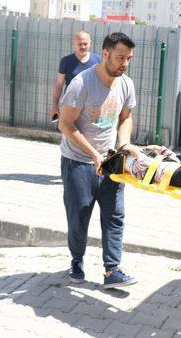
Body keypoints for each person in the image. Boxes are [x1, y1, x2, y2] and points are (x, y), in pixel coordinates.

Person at [58, 32, 140, 289]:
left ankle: (112, 270)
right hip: (78, 162)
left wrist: (124, 145)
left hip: (111, 162)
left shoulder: (126, 84)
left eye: (128, 58)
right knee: (79, 216)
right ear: (105, 54)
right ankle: (77, 261)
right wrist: (93, 154)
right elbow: (65, 124)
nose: (124, 63)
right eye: (119, 58)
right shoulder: (81, 84)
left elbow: (125, 117)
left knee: (115, 216)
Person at [50, 31, 100, 121]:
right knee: (68, 132)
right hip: (70, 106)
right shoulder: (66, 61)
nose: (83, 47)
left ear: (90, 43)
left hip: (91, 109)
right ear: (73, 43)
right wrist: (54, 106)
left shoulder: (98, 61)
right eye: (80, 44)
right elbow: (59, 84)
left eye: (85, 44)